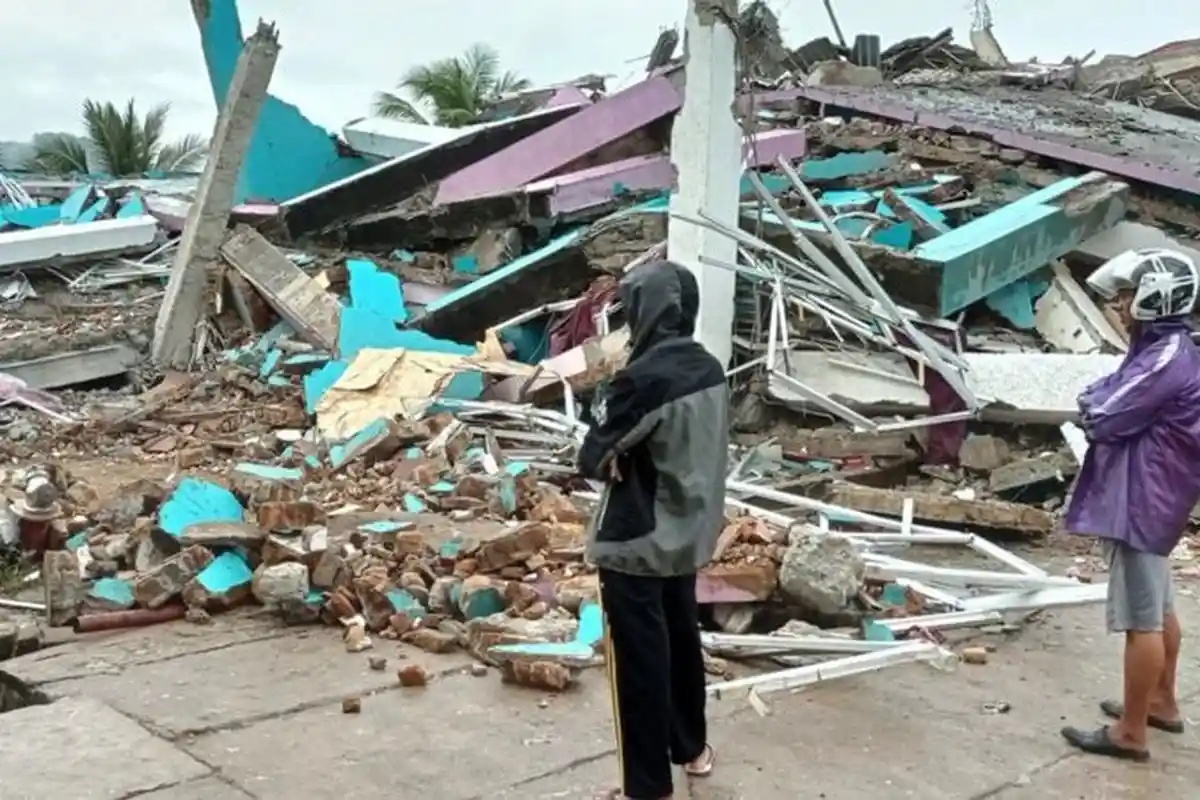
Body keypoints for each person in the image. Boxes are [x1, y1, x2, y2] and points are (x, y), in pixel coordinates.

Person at [577, 259, 728, 799]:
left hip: (636, 542)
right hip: (688, 531)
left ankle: (646, 788)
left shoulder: (641, 380)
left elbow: (593, 456)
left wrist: (615, 450)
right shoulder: (709, 367)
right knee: (682, 640)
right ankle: (691, 749)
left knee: (639, 666)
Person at [1061, 247, 1200, 761]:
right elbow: (1114, 392)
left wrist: (1090, 405)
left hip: (1142, 498)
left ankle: (1131, 732)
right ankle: (1161, 701)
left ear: (1153, 299)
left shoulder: (1164, 356)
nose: (1118, 306)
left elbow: (1104, 411)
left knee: (1140, 618)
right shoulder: (1167, 347)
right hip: (1162, 492)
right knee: (1160, 606)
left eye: (1125, 296)